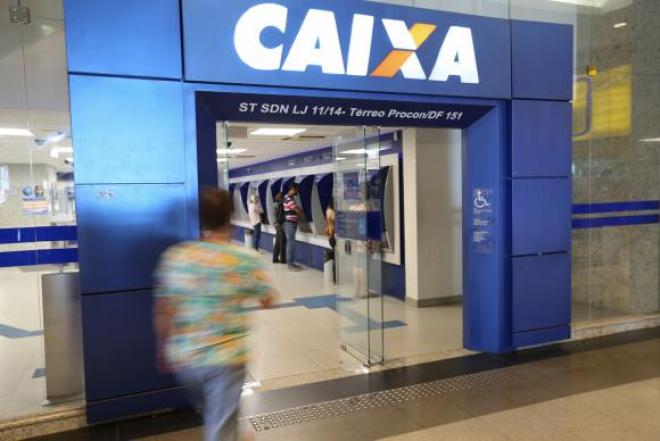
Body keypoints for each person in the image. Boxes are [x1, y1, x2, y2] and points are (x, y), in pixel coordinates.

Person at [153, 187, 276, 441]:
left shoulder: (177, 257)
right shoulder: (243, 259)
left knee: (217, 411)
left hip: (187, 359)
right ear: (230, 215)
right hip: (226, 359)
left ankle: (233, 431)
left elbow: (164, 307)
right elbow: (268, 299)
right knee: (220, 424)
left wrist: (164, 346)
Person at [283, 183, 303, 271]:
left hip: (291, 223)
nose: (297, 191)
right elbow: (297, 210)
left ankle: (292, 263)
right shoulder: (288, 198)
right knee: (290, 244)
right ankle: (290, 264)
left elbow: (297, 209)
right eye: (297, 189)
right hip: (289, 223)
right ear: (293, 189)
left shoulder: (289, 198)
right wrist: (300, 211)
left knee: (291, 243)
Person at [271, 192, 286, 264]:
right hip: (280, 225)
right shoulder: (280, 204)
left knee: (277, 242)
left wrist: (275, 223)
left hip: (276, 224)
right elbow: (280, 216)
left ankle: (275, 258)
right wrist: (279, 222)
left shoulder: (274, 204)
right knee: (282, 242)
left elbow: (274, 215)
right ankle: (283, 259)